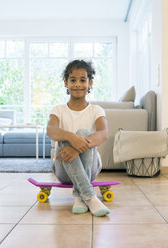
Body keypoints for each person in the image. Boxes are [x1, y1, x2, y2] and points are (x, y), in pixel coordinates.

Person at [47, 60, 110, 217]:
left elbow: (103, 133)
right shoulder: (58, 110)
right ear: (65, 83)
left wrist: (76, 146)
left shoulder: (96, 110)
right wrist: (69, 137)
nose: (78, 84)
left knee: (84, 132)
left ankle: (80, 197)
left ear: (90, 83)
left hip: (91, 169)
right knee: (64, 136)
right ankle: (89, 196)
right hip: (63, 170)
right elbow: (50, 130)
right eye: (73, 80)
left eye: (83, 80)